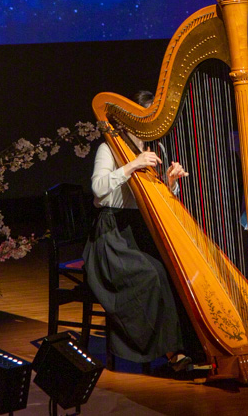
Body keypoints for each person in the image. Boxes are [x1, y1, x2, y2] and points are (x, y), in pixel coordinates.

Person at [82, 91, 202, 372]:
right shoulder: (109, 149)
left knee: (176, 271)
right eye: (145, 119)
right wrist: (132, 165)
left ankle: (191, 347)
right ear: (131, 120)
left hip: (137, 232)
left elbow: (154, 201)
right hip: (110, 236)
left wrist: (170, 184)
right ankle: (170, 353)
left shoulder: (152, 151)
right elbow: (98, 190)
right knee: (151, 275)